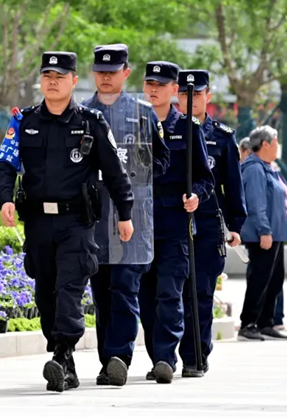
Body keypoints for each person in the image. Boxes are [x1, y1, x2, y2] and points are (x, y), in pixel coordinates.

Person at [0, 51, 134, 393]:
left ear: (74, 81)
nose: (52, 82)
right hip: (38, 223)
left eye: (60, 77)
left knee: (69, 289)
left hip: (76, 223)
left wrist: (125, 213)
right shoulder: (24, 122)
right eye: (47, 76)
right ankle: (61, 357)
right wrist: (5, 198)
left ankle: (63, 353)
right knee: (46, 293)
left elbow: (115, 172)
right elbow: (5, 164)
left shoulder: (91, 123)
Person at [82, 44, 170, 387]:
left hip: (131, 217)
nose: (106, 77)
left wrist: (136, 175)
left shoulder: (143, 113)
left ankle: (120, 355)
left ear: (126, 73)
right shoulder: (82, 113)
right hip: (94, 217)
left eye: (113, 72)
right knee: (101, 291)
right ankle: (108, 361)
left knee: (124, 287)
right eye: (100, 72)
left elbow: (162, 160)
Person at [139, 67, 216, 384]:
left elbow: (205, 178)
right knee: (145, 298)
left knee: (170, 294)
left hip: (174, 225)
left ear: (174, 89)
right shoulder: (134, 125)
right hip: (139, 225)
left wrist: (196, 195)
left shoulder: (188, 128)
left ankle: (165, 358)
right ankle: (156, 356)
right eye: (149, 83)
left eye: (161, 85)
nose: (153, 89)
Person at [176, 75, 246, 377]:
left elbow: (233, 185)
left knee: (201, 292)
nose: (189, 99)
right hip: (173, 220)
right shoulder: (167, 130)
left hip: (207, 223)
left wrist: (235, 225)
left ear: (208, 96)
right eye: (183, 94)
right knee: (172, 293)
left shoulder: (222, 137)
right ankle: (166, 356)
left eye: (196, 93)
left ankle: (196, 355)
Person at [238, 126, 287, 342]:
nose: (278, 146)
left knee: (275, 279)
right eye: (276, 142)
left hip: (276, 234)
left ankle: (265, 322)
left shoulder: (268, 167)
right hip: (264, 235)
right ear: (266, 144)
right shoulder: (254, 169)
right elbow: (256, 203)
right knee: (259, 279)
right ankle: (248, 324)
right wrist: (264, 230)